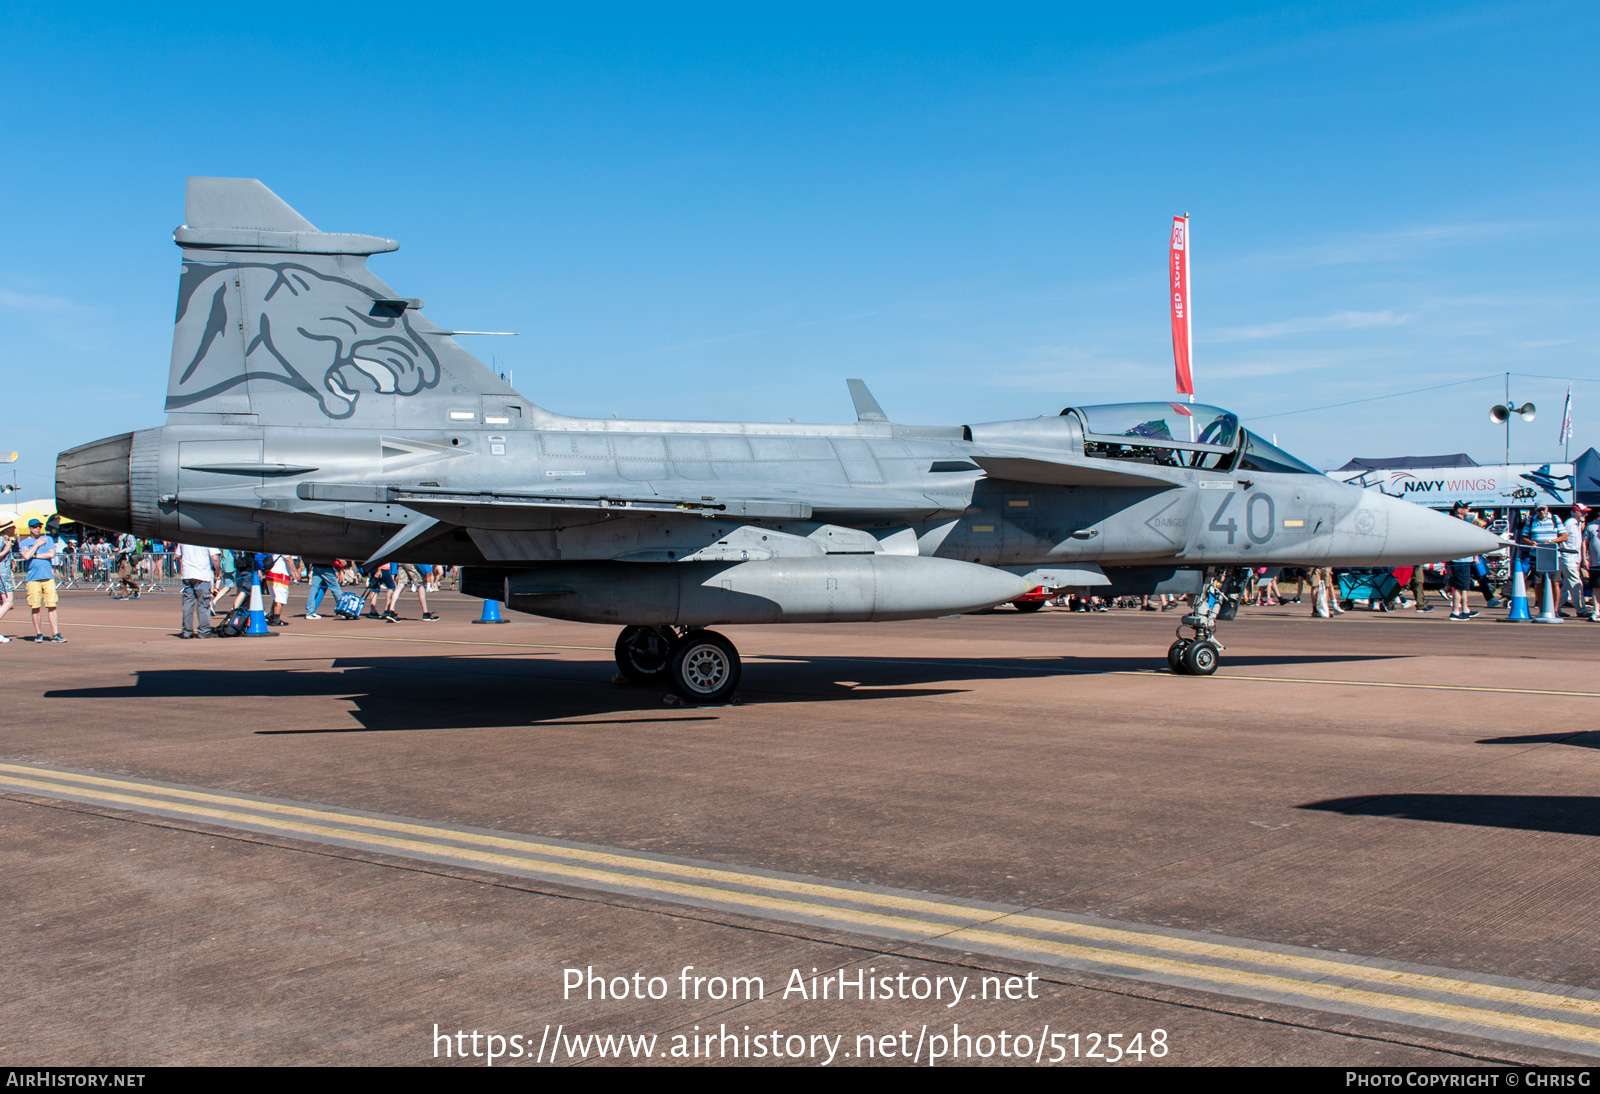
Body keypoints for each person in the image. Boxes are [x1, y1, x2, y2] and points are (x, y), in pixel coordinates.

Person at [18, 519, 65, 642]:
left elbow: (51, 554)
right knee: (35, 606)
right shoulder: (24, 542)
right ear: (30, 528)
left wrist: (34, 554)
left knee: (52, 605)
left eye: (39, 526)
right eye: (35, 527)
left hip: (47, 576)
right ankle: (38, 633)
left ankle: (55, 633)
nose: (37, 529)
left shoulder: (48, 539)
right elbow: (26, 556)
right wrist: (37, 545)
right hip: (33, 578)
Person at [177, 542, 219, 639]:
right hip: (202, 575)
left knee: (188, 603)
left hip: (187, 574)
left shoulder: (182, 538)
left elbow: (177, 555)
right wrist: (218, 571)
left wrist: (185, 563)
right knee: (203, 604)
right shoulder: (206, 537)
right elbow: (215, 558)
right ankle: (204, 631)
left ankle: (187, 631)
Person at [1556, 504, 1589, 617]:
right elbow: (1562, 538)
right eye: (1582, 512)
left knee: (1566, 586)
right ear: (1575, 512)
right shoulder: (1569, 524)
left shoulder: (1578, 524)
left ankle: (1556, 608)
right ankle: (1581, 610)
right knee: (1576, 584)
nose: (1585, 514)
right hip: (1568, 557)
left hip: (1574, 558)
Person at [1581, 506, 1600, 622]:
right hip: (1595, 562)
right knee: (1597, 587)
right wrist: (1584, 558)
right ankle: (1596, 611)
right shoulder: (1591, 526)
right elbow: (1584, 542)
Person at [0, 520, 14, 642]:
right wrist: (7, 549)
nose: (15, 528)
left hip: (5, 574)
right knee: (8, 602)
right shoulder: (1, 540)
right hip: (2, 575)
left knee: (5, 603)